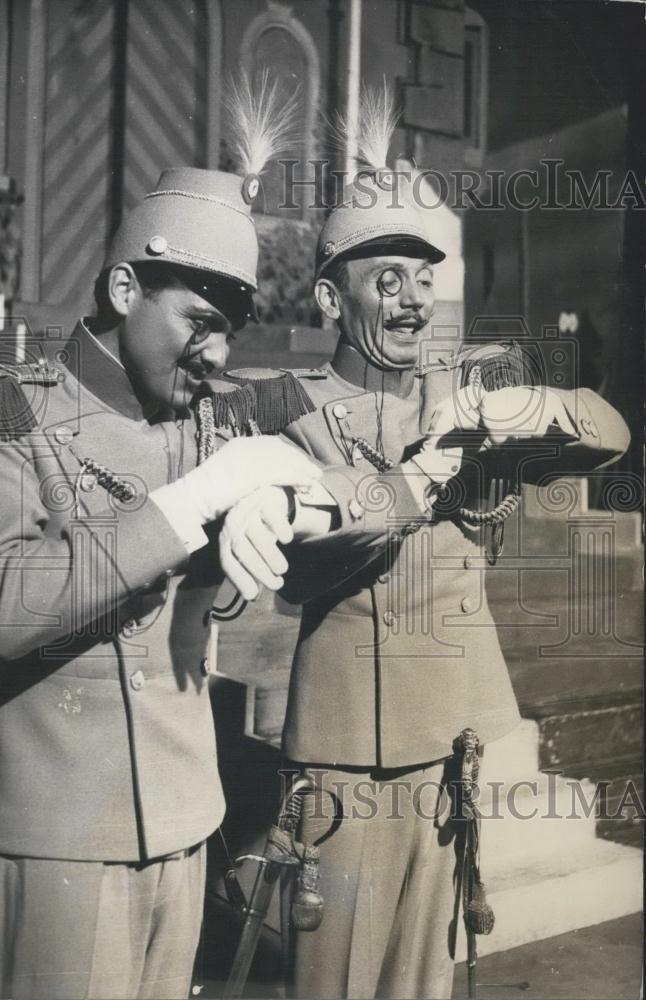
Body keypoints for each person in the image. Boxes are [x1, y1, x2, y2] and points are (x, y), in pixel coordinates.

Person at [219, 87, 631, 999]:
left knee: (420, 983)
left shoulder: (462, 395)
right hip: (343, 759)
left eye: (420, 279)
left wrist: (530, 406)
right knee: (337, 974)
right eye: (385, 279)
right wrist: (433, 464)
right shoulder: (293, 417)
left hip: (450, 747)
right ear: (331, 295)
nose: (409, 302)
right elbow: (331, 546)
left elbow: (610, 433)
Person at [0, 96, 322, 999]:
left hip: (186, 825)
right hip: (55, 838)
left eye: (232, 328)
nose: (218, 352)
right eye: (199, 319)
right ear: (123, 290)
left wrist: (275, 491)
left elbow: (342, 477)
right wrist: (196, 505)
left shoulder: (211, 418)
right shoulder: (15, 410)